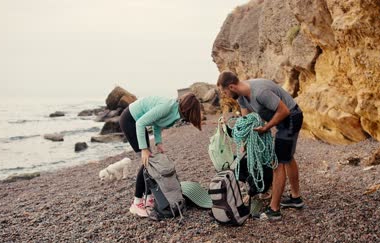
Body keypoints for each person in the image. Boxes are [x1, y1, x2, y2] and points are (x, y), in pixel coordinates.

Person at [217, 71, 304, 220]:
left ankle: (274, 210)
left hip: (291, 118)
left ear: (231, 87)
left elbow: (283, 110)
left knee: (278, 162)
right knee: (287, 158)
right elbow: (247, 119)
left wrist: (266, 127)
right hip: (282, 120)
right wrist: (244, 142)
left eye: (225, 92)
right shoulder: (243, 97)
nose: (225, 95)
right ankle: (296, 198)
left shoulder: (260, 92)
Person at [119, 93, 202, 217]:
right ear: (188, 109)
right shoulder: (167, 107)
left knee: (150, 162)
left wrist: (158, 142)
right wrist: (144, 149)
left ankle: (148, 198)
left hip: (137, 123)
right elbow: (140, 123)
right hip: (130, 121)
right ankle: (136, 203)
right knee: (147, 163)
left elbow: (156, 123)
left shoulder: (175, 111)